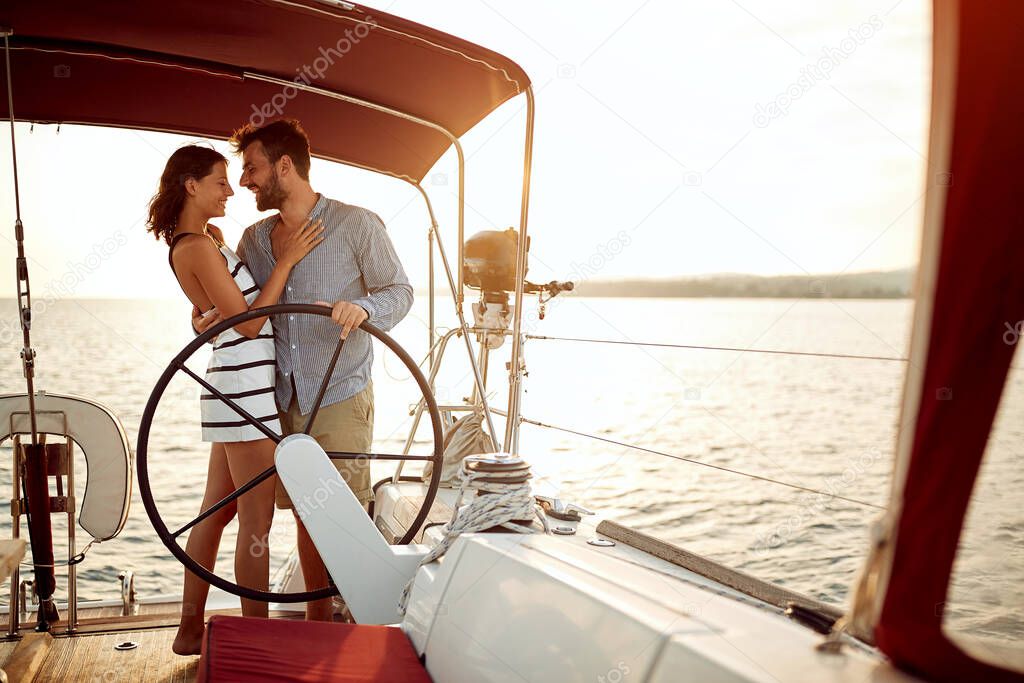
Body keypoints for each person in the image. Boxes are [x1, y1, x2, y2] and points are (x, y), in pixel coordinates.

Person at [193, 119, 413, 621]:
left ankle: (349, 622)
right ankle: (314, 623)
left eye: (251, 168)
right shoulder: (252, 240)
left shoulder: (358, 225)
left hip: (338, 391)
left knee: (338, 515)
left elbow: (399, 292)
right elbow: (239, 303)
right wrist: (201, 312)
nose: (244, 181)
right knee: (299, 515)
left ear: (284, 166)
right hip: (276, 399)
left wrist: (363, 309)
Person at [147, 145, 323, 654]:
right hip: (244, 394)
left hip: (232, 387)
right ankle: (257, 638)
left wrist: (201, 319)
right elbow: (249, 325)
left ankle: (188, 630)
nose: (230, 190)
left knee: (214, 515)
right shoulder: (196, 247)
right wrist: (286, 261)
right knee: (255, 521)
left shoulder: (207, 241)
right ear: (191, 186)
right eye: (220, 181)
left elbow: (217, 316)